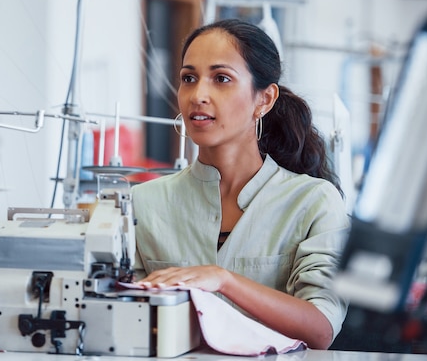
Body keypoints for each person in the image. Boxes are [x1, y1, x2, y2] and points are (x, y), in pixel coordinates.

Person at [131, 19, 350, 350]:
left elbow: (320, 329)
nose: (198, 95)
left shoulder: (313, 201)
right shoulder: (142, 204)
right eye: (189, 78)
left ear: (264, 99)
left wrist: (224, 281)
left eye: (221, 79)